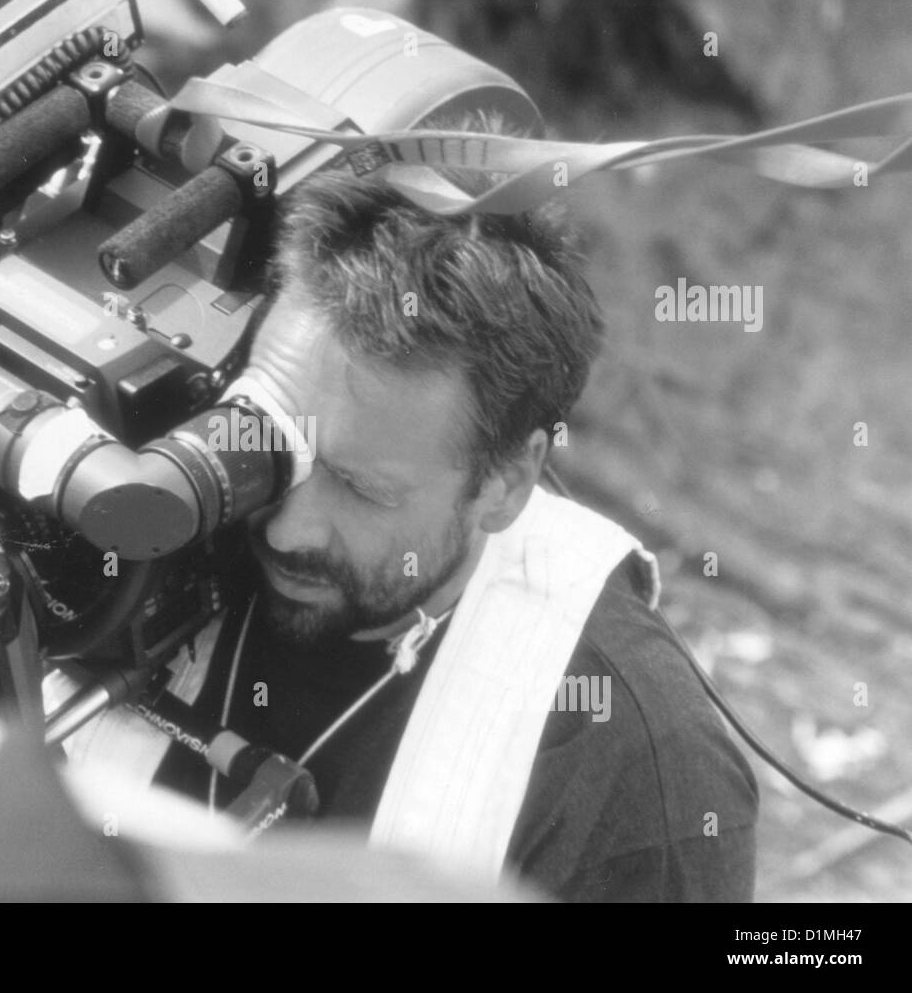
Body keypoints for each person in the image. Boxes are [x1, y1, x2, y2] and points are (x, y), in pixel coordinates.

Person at [48, 139, 759, 903]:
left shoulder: (633, 762)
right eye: (275, 444)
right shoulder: (140, 489)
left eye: (362, 489)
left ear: (506, 481)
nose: (288, 530)